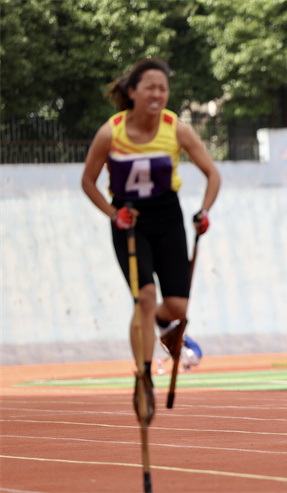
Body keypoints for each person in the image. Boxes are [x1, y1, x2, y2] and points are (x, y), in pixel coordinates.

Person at [81, 58, 221, 423]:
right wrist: (114, 215)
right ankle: (143, 376)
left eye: (163, 88)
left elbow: (212, 174)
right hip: (130, 221)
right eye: (150, 87)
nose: (158, 94)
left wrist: (204, 212)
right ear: (133, 92)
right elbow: (88, 181)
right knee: (144, 297)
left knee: (176, 308)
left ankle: (162, 326)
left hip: (168, 218)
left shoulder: (176, 129)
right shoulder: (111, 132)